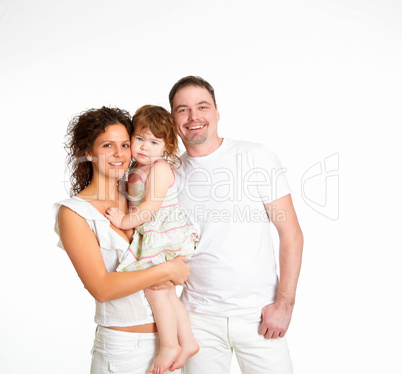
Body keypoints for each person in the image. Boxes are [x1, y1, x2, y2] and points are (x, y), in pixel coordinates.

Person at [168, 76, 304, 374]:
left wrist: (284, 304)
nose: (194, 117)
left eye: (202, 106)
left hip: (259, 316)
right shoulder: (169, 175)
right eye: (183, 110)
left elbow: (290, 233)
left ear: (217, 111)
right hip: (198, 319)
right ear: (173, 119)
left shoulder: (255, 156)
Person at [54, 106, 190, 374]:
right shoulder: (74, 213)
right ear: (88, 152)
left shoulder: (137, 195)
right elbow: (102, 288)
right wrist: (168, 270)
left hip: (167, 345)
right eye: (107, 145)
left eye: (125, 144)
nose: (119, 154)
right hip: (122, 349)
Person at [105, 105, 199, 374]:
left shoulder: (159, 169)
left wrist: (124, 222)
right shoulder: (136, 166)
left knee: (155, 290)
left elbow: (149, 207)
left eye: (154, 142)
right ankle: (188, 341)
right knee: (167, 293)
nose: (145, 147)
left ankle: (170, 344)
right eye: (139, 139)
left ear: (166, 146)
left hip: (165, 234)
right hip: (154, 232)